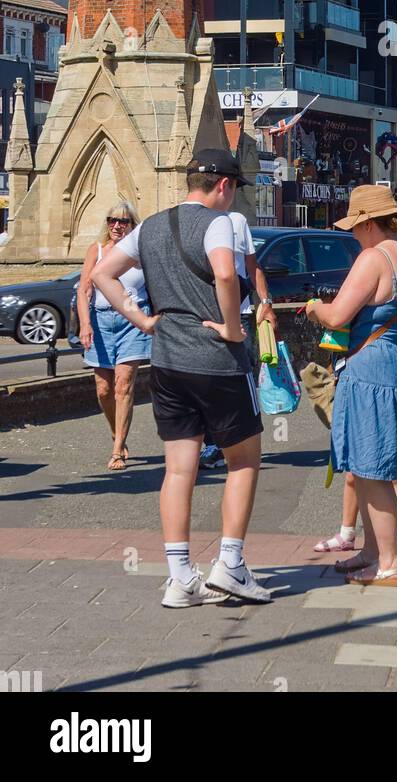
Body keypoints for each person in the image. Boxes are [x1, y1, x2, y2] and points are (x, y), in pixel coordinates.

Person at [93, 149, 271, 609]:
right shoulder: (220, 223)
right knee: (244, 460)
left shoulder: (149, 226)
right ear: (224, 186)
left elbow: (101, 273)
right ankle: (230, 565)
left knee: (177, 469)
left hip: (167, 358)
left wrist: (142, 319)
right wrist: (233, 328)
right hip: (217, 360)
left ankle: (180, 578)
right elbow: (226, 273)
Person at [305, 185, 397, 587]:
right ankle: (374, 551)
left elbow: (338, 315)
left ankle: (388, 564)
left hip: (369, 372)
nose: (353, 234)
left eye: (355, 226)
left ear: (369, 223)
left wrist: (315, 308)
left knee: (372, 471)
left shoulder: (373, 258)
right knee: (377, 466)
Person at [200, 208, 280, 471]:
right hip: (204, 314)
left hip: (242, 314)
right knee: (209, 384)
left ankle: (241, 442)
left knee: (238, 381)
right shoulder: (193, 221)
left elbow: (252, 266)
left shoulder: (237, 220)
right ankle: (213, 446)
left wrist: (266, 303)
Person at [76, 201, 150, 471]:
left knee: (123, 384)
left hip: (132, 319)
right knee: (103, 389)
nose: (117, 226)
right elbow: (83, 291)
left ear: (132, 224)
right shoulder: (96, 251)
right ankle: (115, 431)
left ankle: (118, 449)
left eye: (123, 221)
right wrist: (85, 324)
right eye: (112, 220)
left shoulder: (141, 252)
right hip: (100, 320)